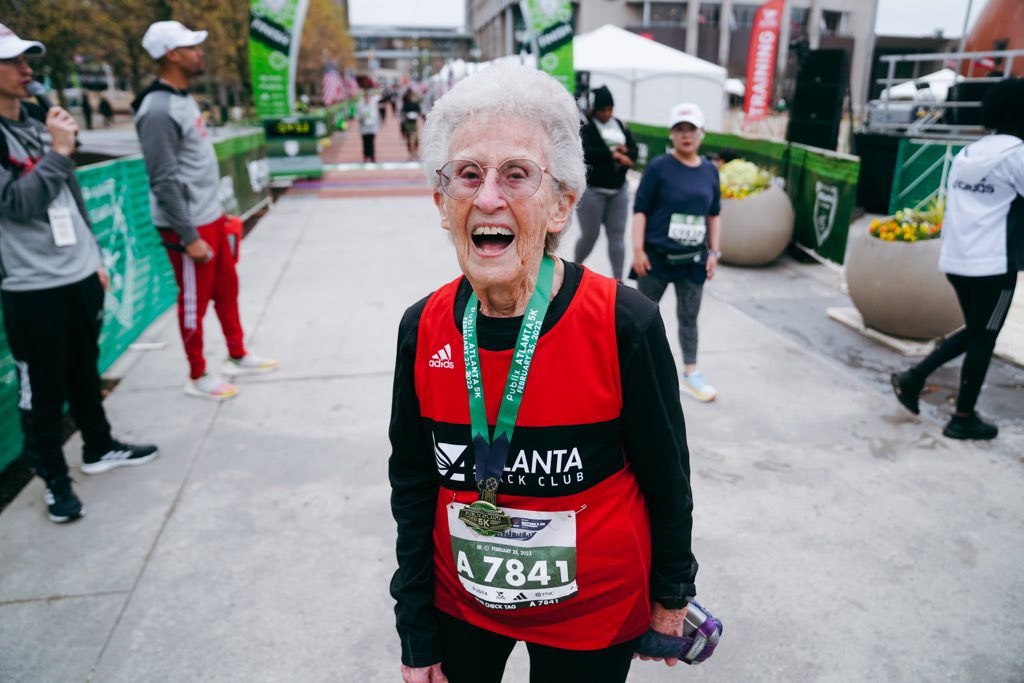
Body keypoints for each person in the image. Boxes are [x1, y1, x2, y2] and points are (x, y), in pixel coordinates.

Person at [388, 64, 720, 683]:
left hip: (591, 615)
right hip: (462, 603)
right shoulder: (422, 327)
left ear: (563, 203)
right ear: (443, 203)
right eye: (468, 175)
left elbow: (667, 476)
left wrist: (672, 595)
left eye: (517, 174)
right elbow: (412, 484)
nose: (489, 197)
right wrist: (415, 630)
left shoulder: (626, 324)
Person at [0, 24, 158, 523]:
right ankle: (54, 481)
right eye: (14, 61)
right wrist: (59, 151)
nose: (28, 69)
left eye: (29, 59)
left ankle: (99, 446)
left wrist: (93, 258)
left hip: (76, 274)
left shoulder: (34, 120)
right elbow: (19, 202)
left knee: (85, 371)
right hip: (31, 287)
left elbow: (67, 195)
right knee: (42, 391)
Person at [134, 21, 277, 400]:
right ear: (170, 54)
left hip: (209, 217)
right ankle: (197, 375)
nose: (200, 52)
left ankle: (237, 353)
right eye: (191, 47)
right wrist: (189, 236)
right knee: (193, 302)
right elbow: (162, 179)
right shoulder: (158, 109)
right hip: (189, 227)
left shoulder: (181, 99)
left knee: (227, 290)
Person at [891, 77, 1024, 440]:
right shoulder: (1017, 155)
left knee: (977, 330)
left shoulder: (970, 152)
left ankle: (914, 378)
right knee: (985, 337)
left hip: (958, 260)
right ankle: (962, 417)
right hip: (993, 264)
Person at [631, 103, 722, 403]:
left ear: (701, 134)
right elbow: (640, 210)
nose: (686, 135)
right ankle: (632, 373)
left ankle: (691, 373)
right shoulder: (659, 167)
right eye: (680, 129)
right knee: (641, 317)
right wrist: (638, 250)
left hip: (693, 261)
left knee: (689, 316)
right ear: (671, 134)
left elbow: (714, 214)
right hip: (656, 259)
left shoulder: (709, 170)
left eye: (691, 129)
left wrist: (714, 253)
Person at [575, 85, 637, 282]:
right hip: (593, 190)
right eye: (603, 110)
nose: (607, 114)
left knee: (617, 236)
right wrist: (612, 154)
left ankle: (619, 280)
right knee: (590, 235)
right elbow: (585, 152)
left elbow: (634, 150)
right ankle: (574, 268)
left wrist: (625, 152)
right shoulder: (585, 124)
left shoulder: (619, 124)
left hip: (618, 190)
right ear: (594, 109)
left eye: (610, 109)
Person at [356, 88, 380, 163]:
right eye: (365, 97)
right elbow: (357, 115)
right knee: (365, 142)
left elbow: (376, 115)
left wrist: (377, 124)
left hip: (372, 126)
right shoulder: (360, 104)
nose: (367, 98)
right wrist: (361, 118)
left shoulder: (373, 104)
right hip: (364, 127)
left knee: (371, 141)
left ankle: (372, 156)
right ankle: (366, 156)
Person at [400, 88, 422, 160]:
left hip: (414, 123)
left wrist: (423, 117)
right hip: (408, 123)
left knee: (416, 138)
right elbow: (402, 112)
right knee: (408, 139)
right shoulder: (405, 103)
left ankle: (415, 151)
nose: (411, 96)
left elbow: (419, 112)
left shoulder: (415, 103)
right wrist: (405, 116)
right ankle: (410, 153)